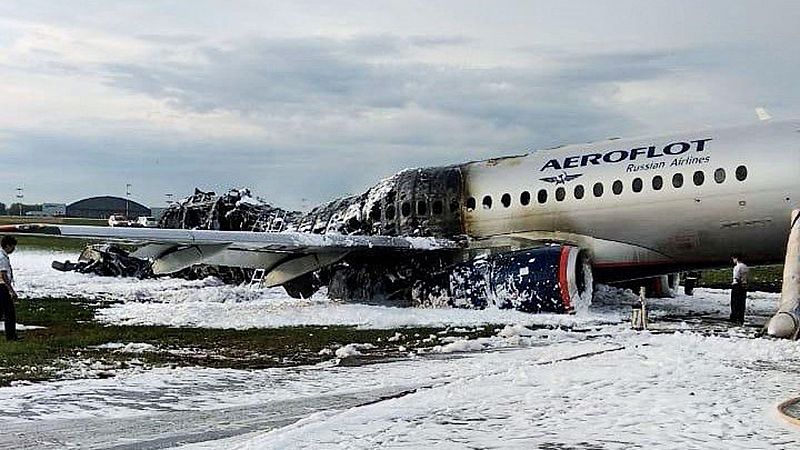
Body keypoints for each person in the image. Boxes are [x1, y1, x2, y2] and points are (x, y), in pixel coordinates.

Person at [0, 236, 19, 340]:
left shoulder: (1, 255)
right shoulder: (2, 258)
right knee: (10, 313)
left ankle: (11, 336)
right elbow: (3, 275)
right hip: (2, 287)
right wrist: (11, 290)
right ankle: (11, 336)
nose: (13, 249)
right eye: (13, 247)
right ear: (7, 246)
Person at [730, 253, 749, 324]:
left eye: (733, 259)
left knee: (735, 302)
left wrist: (737, 283)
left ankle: (734, 317)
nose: (733, 260)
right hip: (744, 286)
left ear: (736, 259)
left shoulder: (737, 267)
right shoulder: (746, 267)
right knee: (742, 303)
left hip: (737, 285)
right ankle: (741, 318)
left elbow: (737, 277)